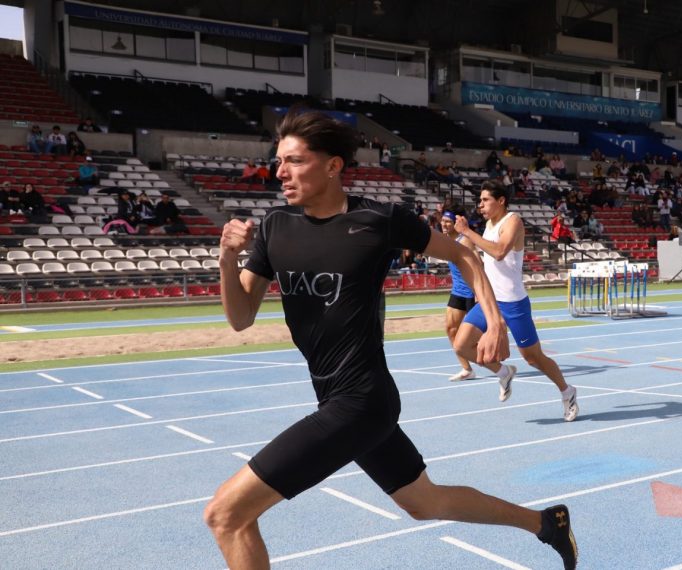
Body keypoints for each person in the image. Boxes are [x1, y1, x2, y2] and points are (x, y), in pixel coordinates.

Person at [205, 110, 577, 570]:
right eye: (278, 161)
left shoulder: (377, 220)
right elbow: (240, 318)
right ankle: (545, 523)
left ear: (333, 165)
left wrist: (495, 321)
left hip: (361, 402)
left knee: (226, 515)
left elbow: (463, 255)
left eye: (294, 161)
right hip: (335, 398)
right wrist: (226, 259)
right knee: (426, 502)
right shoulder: (275, 229)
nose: (280, 171)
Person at [453, 181, 580, 422]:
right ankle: (503, 372)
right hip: (490, 302)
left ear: (500, 201)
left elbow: (500, 251)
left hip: (513, 302)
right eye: (479, 201)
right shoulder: (487, 225)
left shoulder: (513, 221)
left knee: (533, 358)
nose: (480, 205)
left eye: (485, 200)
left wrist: (468, 232)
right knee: (461, 345)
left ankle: (567, 391)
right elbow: (478, 259)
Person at [440, 209, 479, 382]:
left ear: (456, 222)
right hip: (458, 291)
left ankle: (497, 365)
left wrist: (479, 292)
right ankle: (467, 369)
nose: (444, 224)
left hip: (471, 292)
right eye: (442, 220)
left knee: (475, 337)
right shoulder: (448, 240)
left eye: (448, 221)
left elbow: (478, 265)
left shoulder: (466, 241)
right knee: (450, 329)